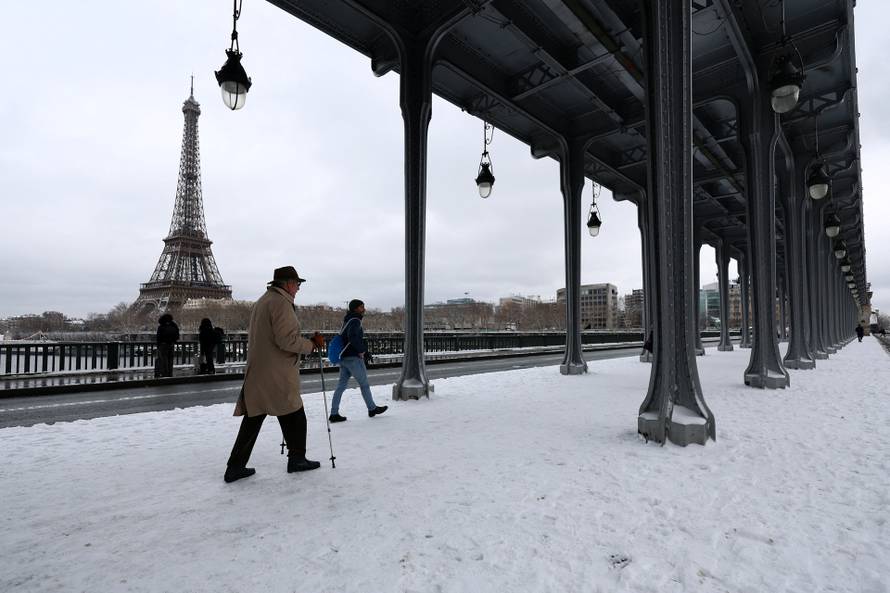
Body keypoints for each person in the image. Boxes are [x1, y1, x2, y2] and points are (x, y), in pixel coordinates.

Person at [224, 266, 326, 483]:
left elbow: (275, 336)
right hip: (277, 372)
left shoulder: (264, 300)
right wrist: (310, 345)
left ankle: (235, 466)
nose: (298, 288)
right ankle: (297, 459)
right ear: (288, 283)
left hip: (260, 370)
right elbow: (286, 340)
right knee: (295, 414)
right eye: (297, 284)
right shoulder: (281, 303)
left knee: (254, 417)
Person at [328, 299, 388, 423]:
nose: (364, 309)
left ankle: (334, 413)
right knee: (364, 384)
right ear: (356, 308)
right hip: (353, 358)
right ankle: (372, 409)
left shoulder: (347, 319)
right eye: (362, 307)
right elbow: (353, 337)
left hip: (344, 357)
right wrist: (362, 351)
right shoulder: (355, 320)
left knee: (341, 386)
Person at [155, 313, 180, 378]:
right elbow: (177, 335)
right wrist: (173, 341)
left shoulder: (161, 326)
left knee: (163, 360)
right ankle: (170, 373)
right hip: (171, 344)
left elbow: (158, 337)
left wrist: (158, 345)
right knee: (170, 360)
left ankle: (164, 374)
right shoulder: (174, 325)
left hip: (163, 345)